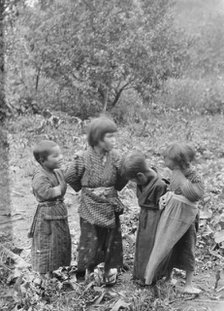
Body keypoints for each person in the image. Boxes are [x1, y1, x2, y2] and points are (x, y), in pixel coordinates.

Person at [65, 116, 127, 285]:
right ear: (98, 138)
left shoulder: (116, 157)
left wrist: (112, 190)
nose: (114, 140)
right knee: (90, 239)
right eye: (110, 136)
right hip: (89, 206)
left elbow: (123, 175)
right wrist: (86, 191)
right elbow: (70, 176)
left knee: (110, 239)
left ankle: (107, 271)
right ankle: (89, 271)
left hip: (109, 204)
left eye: (115, 136)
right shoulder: (83, 158)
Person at [144, 143, 204, 294]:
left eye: (167, 159)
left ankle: (188, 284)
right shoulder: (176, 174)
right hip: (173, 216)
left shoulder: (194, 176)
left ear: (179, 162)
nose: (164, 161)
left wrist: (183, 182)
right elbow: (172, 189)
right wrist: (168, 195)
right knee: (169, 246)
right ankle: (167, 277)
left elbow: (196, 194)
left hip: (187, 220)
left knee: (188, 248)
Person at [122, 151, 168, 284]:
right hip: (145, 217)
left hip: (155, 220)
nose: (135, 184)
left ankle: (151, 275)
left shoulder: (160, 185)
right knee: (142, 246)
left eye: (134, 181)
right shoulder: (143, 180)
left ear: (140, 175)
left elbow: (163, 207)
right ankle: (140, 274)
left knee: (151, 246)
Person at [28, 140, 71, 277]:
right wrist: (60, 189)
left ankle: (51, 272)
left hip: (58, 214)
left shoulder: (56, 172)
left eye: (60, 154)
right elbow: (45, 192)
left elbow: (69, 174)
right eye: (55, 156)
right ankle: (44, 276)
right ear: (42, 160)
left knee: (57, 244)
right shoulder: (40, 176)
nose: (61, 158)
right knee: (46, 244)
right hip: (46, 217)